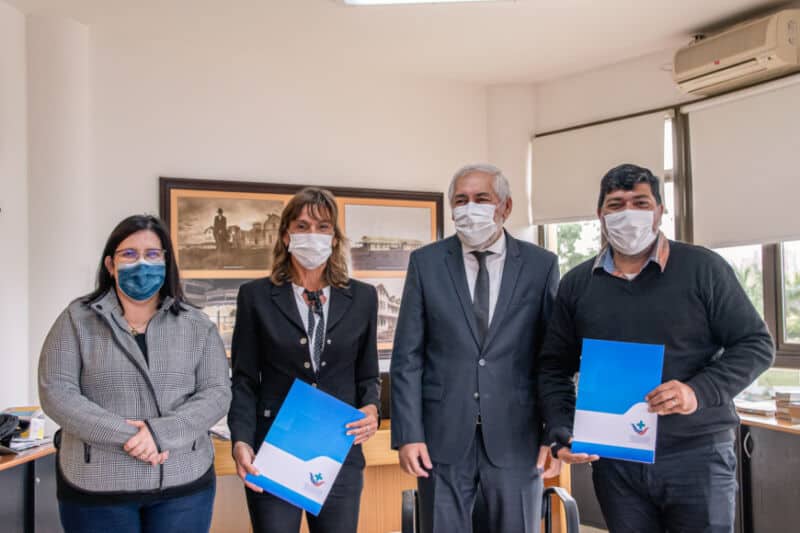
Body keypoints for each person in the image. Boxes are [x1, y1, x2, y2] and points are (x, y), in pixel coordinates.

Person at [538, 164, 774, 533]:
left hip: (697, 455)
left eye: (640, 202)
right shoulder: (578, 283)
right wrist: (561, 429)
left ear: (660, 210)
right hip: (615, 460)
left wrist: (698, 391)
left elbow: (757, 344)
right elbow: (553, 366)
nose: (627, 213)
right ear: (600, 214)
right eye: (616, 205)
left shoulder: (703, 268)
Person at [390, 164, 561, 533]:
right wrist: (409, 434)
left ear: (506, 206)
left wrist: (553, 435)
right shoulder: (426, 263)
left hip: (519, 438)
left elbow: (552, 360)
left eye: (481, 199)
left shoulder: (540, 265)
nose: (470, 208)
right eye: (460, 200)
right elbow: (407, 357)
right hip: (441, 438)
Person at [38, 214, 232, 533]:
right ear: (111, 266)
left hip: (183, 483)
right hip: (96, 486)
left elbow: (216, 393)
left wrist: (159, 434)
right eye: (129, 254)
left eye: (152, 254)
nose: (141, 263)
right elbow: (56, 393)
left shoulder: (198, 326)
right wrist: (130, 437)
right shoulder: (76, 320)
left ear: (167, 263)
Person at [228, 187, 381, 533]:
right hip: (274, 451)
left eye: (323, 227)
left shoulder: (363, 298)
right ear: (286, 236)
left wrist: (371, 409)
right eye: (302, 226)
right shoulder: (255, 297)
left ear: (335, 237)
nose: (313, 235)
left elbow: (368, 375)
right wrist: (241, 440)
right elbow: (244, 380)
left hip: (338, 451)